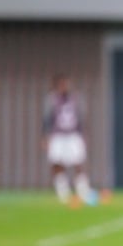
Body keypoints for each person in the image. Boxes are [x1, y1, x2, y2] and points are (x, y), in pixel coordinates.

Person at [42, 74, 93, 206]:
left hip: (73, 134)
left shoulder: (76, 98)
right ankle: (62, 191)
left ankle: (83, 190)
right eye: (62, 84)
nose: (65, 87)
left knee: (78, 161)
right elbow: (47, 119)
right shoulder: (51, 99)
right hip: (57, 135)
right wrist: (45, 137)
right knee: (56, 162)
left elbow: (81, 117)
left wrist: (83, 134)